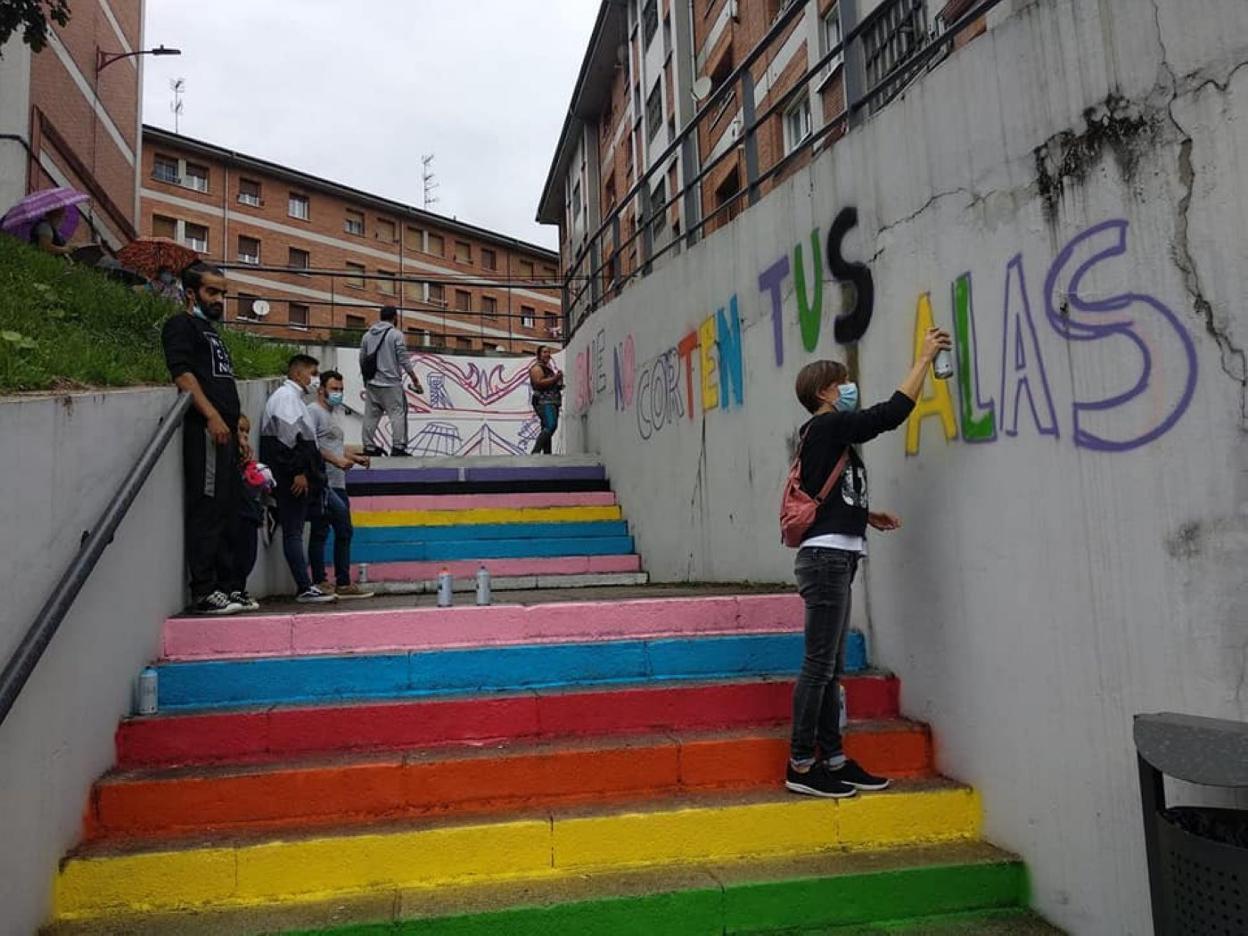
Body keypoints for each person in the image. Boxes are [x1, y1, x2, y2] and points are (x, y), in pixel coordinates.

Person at [784, 326, 952, 799]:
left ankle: (834, 759)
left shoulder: (826, 435)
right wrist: (923, 359)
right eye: (842, 383)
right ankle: (800, 763)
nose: (848, 390)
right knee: (819, 666)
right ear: (824, 392)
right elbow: (891, 414)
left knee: (831, 667)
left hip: (836, 554)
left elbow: (828, 488)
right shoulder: (828, 425)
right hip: (825, 560)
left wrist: (863, 514)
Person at [161, 261, 245, 615]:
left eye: (222, 293)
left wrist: (237, 427)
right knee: (208, 510)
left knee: (228, 510)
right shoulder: (181, 325)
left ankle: (227, 587)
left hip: (226, 435)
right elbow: (182, 373)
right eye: (212, 292)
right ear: (191, 292)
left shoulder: (211, 332)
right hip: (207, 433)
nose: (219, 300)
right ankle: (205, 590)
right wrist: (211, 415)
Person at [260, 354, 336, 604]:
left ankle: (307, 584)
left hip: (300, 475)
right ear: (297, 374)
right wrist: (298, 472)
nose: (315, 379)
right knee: (293, 531)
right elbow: (288, 441)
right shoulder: (286, 399)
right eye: (312, 373)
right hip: (292, 477)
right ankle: (304, 586)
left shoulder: (294, 400)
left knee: (301, 527)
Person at [307, 370, 374, 599]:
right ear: (321, 389)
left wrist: (353, 457)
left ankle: (342, 582)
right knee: (323, 530)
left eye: (341, 389)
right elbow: (311, 447)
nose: (338, 393)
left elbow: (335, 445)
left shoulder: (335, 413)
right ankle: (321, 581)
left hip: (339, 482)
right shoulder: (313, 412)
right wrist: (336, 460)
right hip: (323, 481)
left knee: (343, 531)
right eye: (334, 389)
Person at [359, 306, 424, 456]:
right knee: (397, 414)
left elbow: (362, 358)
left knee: (370, 415)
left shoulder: (367, 335)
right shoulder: (396, 335)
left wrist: (366, 380)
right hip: (391, 383)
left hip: (372, 383)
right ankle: (398, 447)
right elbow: (403, 359)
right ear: (395, 317)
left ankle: (368, 447)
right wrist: (414, 379)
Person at [225, 414, 273, 612]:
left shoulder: (245, 458)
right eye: (240, 431)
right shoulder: (228, 456)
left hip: (250, 512)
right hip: (238, 512)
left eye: (247, 432)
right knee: (238, 553)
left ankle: (239, 587)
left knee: (249, 554)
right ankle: (233, 588)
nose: (244, 436)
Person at [529, 345, 563, 455]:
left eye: (548, 352)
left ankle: (547, 454)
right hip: (544, 401)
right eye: (544, 352)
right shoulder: (537, 368)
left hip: (552, 401)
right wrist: (555, 378)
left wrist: (558, 384)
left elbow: (549, 383)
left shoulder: (547, 368)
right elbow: (538, 382)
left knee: (547, 426)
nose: (547, 354)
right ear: (539, 354)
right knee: (551, 425)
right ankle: (536, 451)